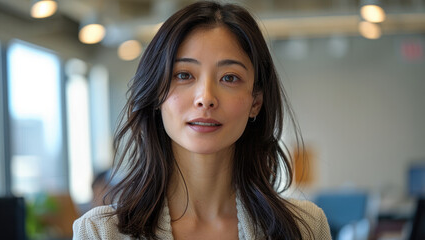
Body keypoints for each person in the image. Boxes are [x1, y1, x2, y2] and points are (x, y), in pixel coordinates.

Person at [73, 1, 331, 239]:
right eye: (184, 75)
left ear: (256, 102)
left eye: (229, 77)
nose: (205, 98)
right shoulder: (100, 232)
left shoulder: (305, 227)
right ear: (156, 95)